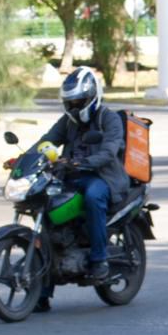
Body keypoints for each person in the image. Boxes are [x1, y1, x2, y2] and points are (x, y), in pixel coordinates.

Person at [34, 66, 129, 312]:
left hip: (103, 177)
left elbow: (109, 151)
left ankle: (99, 260)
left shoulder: (109, 119)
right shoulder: (68, 122)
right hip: (71, 175)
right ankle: (41, 291)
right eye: (71, 102)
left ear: (92, 97)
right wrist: (26, 159)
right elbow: (46, 140)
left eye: (79, 101)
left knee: (93, 197)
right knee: (46, 209)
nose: (75, 107)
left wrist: (84, 163)